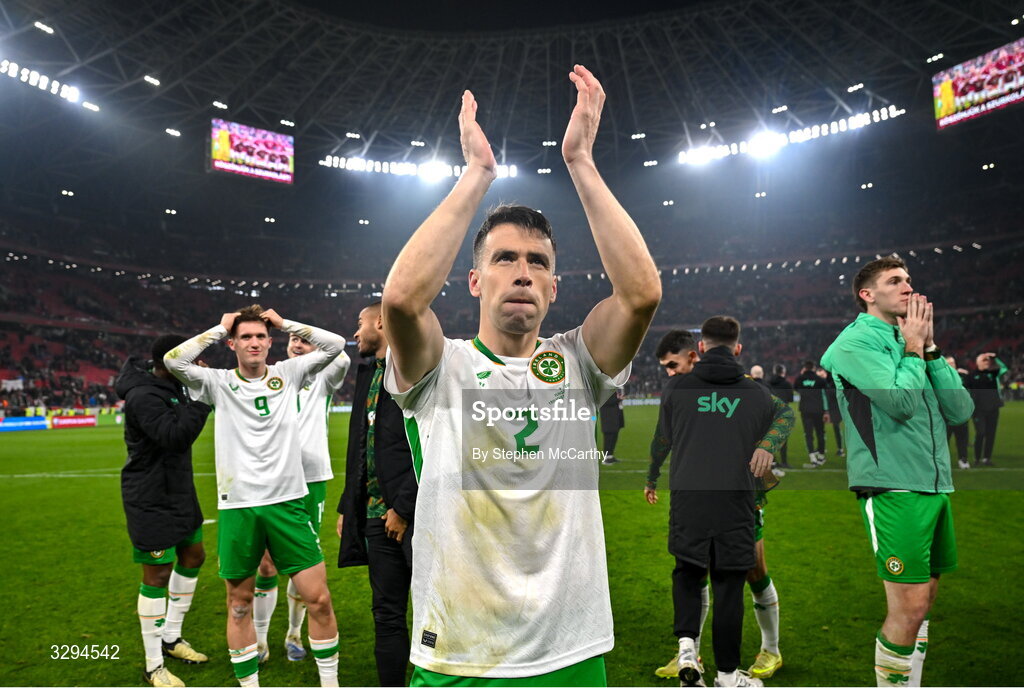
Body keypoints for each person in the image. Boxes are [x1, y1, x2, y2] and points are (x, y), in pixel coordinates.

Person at [381, 65, 661, 685]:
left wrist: (581, 161)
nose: (523, 271)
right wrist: (475, 176)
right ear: (476, 280)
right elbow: (399, 301)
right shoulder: (440, 366)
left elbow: (641, 294)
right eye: (504, 258)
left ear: (555, 287)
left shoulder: (576, 365)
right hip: (460, 649)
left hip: (571, 647)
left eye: (537, 261)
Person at [164, 305, 346, 688]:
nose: (254, 342)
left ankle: (330, 684)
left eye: (261, 336)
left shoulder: (288, 373)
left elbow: (335, 345)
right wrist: (220, 326)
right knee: (239, 604)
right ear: (233, 343)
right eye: (246, 336)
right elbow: (173, 360)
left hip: (289, 502)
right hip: (240, 506)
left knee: (320, 599)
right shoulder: (217, 382)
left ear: (269, 342)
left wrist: (284, 324)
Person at [820, 256, 973, 687]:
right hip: (892, 487)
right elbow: (901, 404)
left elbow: (960, 411)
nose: (908, 287)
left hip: (935, 485)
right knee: (906, 610)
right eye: (894, 281)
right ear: (867, 295)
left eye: (908, 280)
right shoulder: (854, 344)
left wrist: (931, 349)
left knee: (922, 606)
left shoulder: (911, 339)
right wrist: (911, 349)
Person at [645, 317, 794, 688]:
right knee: (730, 584)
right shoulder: (755, 391)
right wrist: (767, 445)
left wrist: (651, 475)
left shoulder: (677, 389)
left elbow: (662, 440)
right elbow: (785, 416)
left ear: (702, 349)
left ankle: (689, 652)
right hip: (736, 501)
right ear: (738, 348)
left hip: (691, 500)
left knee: (691, 573)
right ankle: (727, 674)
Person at [118, 335, 213, 688]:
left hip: (179, 493)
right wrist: (201, 400)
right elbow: (174, 436)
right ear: (170, 362)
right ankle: (153, 664)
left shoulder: (172, 385)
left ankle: (171, 637)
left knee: (194, 555)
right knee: (157, 575)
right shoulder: (143, 396)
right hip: (150, 498)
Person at [252, 329, 351, 664]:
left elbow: (343, 355)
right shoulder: (270, 375)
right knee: (265, 564)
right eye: (293, 339)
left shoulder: (324, 377)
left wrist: (290, 323)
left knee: (302, 562)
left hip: (312, 480)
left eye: (304, 340)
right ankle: (260, 639)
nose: (297, 344)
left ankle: (294, 633)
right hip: (271, 480)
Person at [337, 302, 418, 687]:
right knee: (386, 614)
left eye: (360, 323)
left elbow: (435, 446)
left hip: (415, 516)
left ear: (381, 321)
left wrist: (403, 508)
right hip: (373, 515)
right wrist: (346, 506)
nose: (355, 333)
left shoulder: (417, 369)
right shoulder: (369, 374)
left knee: (439, 610)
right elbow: (361, 445)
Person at [964, 351, 1007, 467]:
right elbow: (963, 387)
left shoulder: (993, 374)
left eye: (988, 361)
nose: (987, 362)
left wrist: (994, 357)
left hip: (993, 409)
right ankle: (977, 458)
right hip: (978, 410)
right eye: (984, 360)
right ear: (977, 363)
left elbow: (1004, 368)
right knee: (981, 433)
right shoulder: (971, 376)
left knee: (991, 434)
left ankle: (987, 458)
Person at [794, 360, 827, 467]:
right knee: (820, 433)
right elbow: (825, 393)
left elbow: (796, 389)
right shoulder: (820, 380)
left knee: (808, 434)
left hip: (805, 410)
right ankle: (821, 457)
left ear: (805, 368)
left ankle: (812, 458)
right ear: (813, 368)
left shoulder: (800, 379)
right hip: (818, 410)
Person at [944, 356, 970, 470]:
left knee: (962, 439)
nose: (951, 364)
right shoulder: (941, 377)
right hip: (946, 415)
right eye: (949, 363)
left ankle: (963, 459)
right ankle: (943, 461)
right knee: (944, 440)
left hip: (960, 414)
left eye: (953, 362)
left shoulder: (963, 376)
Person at [766, 365, 794, 469]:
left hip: (771, 412)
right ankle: (784, 462)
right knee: (783, 438)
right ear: (783, 372)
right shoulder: (786, 383)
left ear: (774, 371)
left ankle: (772, 461)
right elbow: (791, 398)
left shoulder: (768, 383)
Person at [817, 367, 845, 458]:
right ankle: (822, 448)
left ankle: (840, 449)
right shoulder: (825, 382)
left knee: (836, 428)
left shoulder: (833, 382)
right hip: (825, 407)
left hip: (834, 408)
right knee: (821, 429)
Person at [599, 390, 625, 464]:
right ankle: (606, 458)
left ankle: (610, 456)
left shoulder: (611, 389)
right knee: (608, 437)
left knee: (614, 436)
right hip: (608, 418)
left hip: (614, 417)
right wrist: (619, 399)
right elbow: (606, 402)